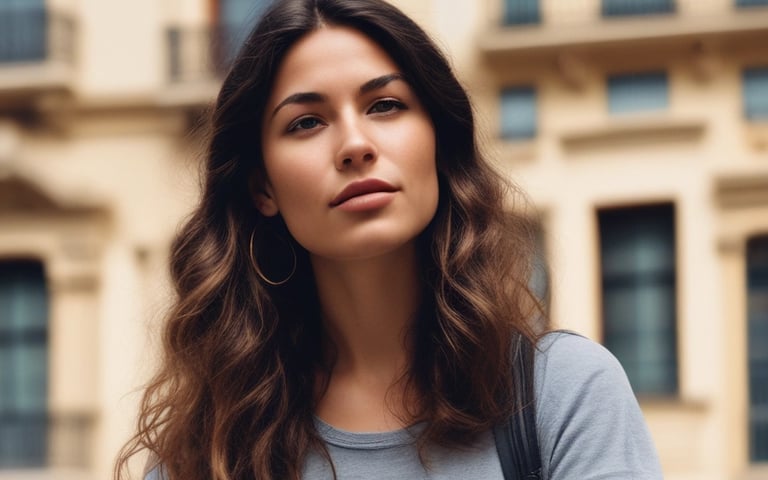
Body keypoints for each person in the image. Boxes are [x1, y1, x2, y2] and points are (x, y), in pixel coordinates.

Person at [115, 0, 664, 479]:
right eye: (307, 122)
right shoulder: (204, 450)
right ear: (262, 186)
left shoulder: (562, 395)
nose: (355, 144)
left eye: (385, 106)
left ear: (438, 146)